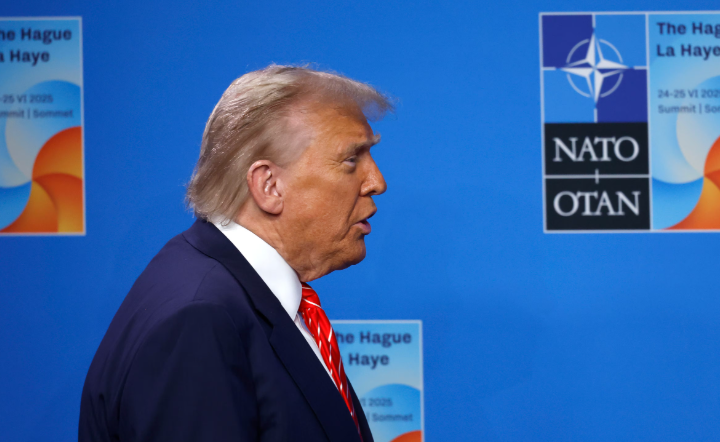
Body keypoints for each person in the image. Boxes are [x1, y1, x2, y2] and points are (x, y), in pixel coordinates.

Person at [79, 65, 393, 442]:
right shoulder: (199, 320)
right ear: (269, 185)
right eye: (351, 160)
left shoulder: (232, 294)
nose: (377, 182)